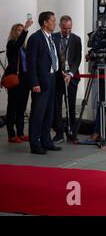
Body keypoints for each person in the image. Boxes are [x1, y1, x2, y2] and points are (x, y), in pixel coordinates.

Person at [26, 12, 62, 155]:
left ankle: (46, 141)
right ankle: (35, 144)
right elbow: (31, 63)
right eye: (53, 20)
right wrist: (34, 83)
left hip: (52, 79)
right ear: (45, 23)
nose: (55, 23)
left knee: (49, 113)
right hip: (40, 81)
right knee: (38, 114)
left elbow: (54, 58)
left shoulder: (51, 37)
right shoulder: (35, 38)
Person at [52, 16, 82, 144]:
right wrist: (60, 72)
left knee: (71, 106)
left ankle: (72, 133)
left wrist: (70, 74)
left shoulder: (76, 39)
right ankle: (59, 133)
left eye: (69, 28)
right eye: (64, 29)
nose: (67, 31)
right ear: (60, 26)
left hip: (71, 78)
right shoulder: (53, 38)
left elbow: (77, 58)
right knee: (57, 106)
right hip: (58, 78)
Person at [4, 19, 33, 143]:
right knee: (12, 108)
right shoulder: (12, 44)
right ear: (14, 32)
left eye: (22, 30)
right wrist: (26, 29)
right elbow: (17, 46)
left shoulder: (24, 48)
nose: (21, 32)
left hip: (25, 80)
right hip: (15, 79)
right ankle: (11, 134)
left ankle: (20, 133)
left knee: (21, 108)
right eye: (19, 30)